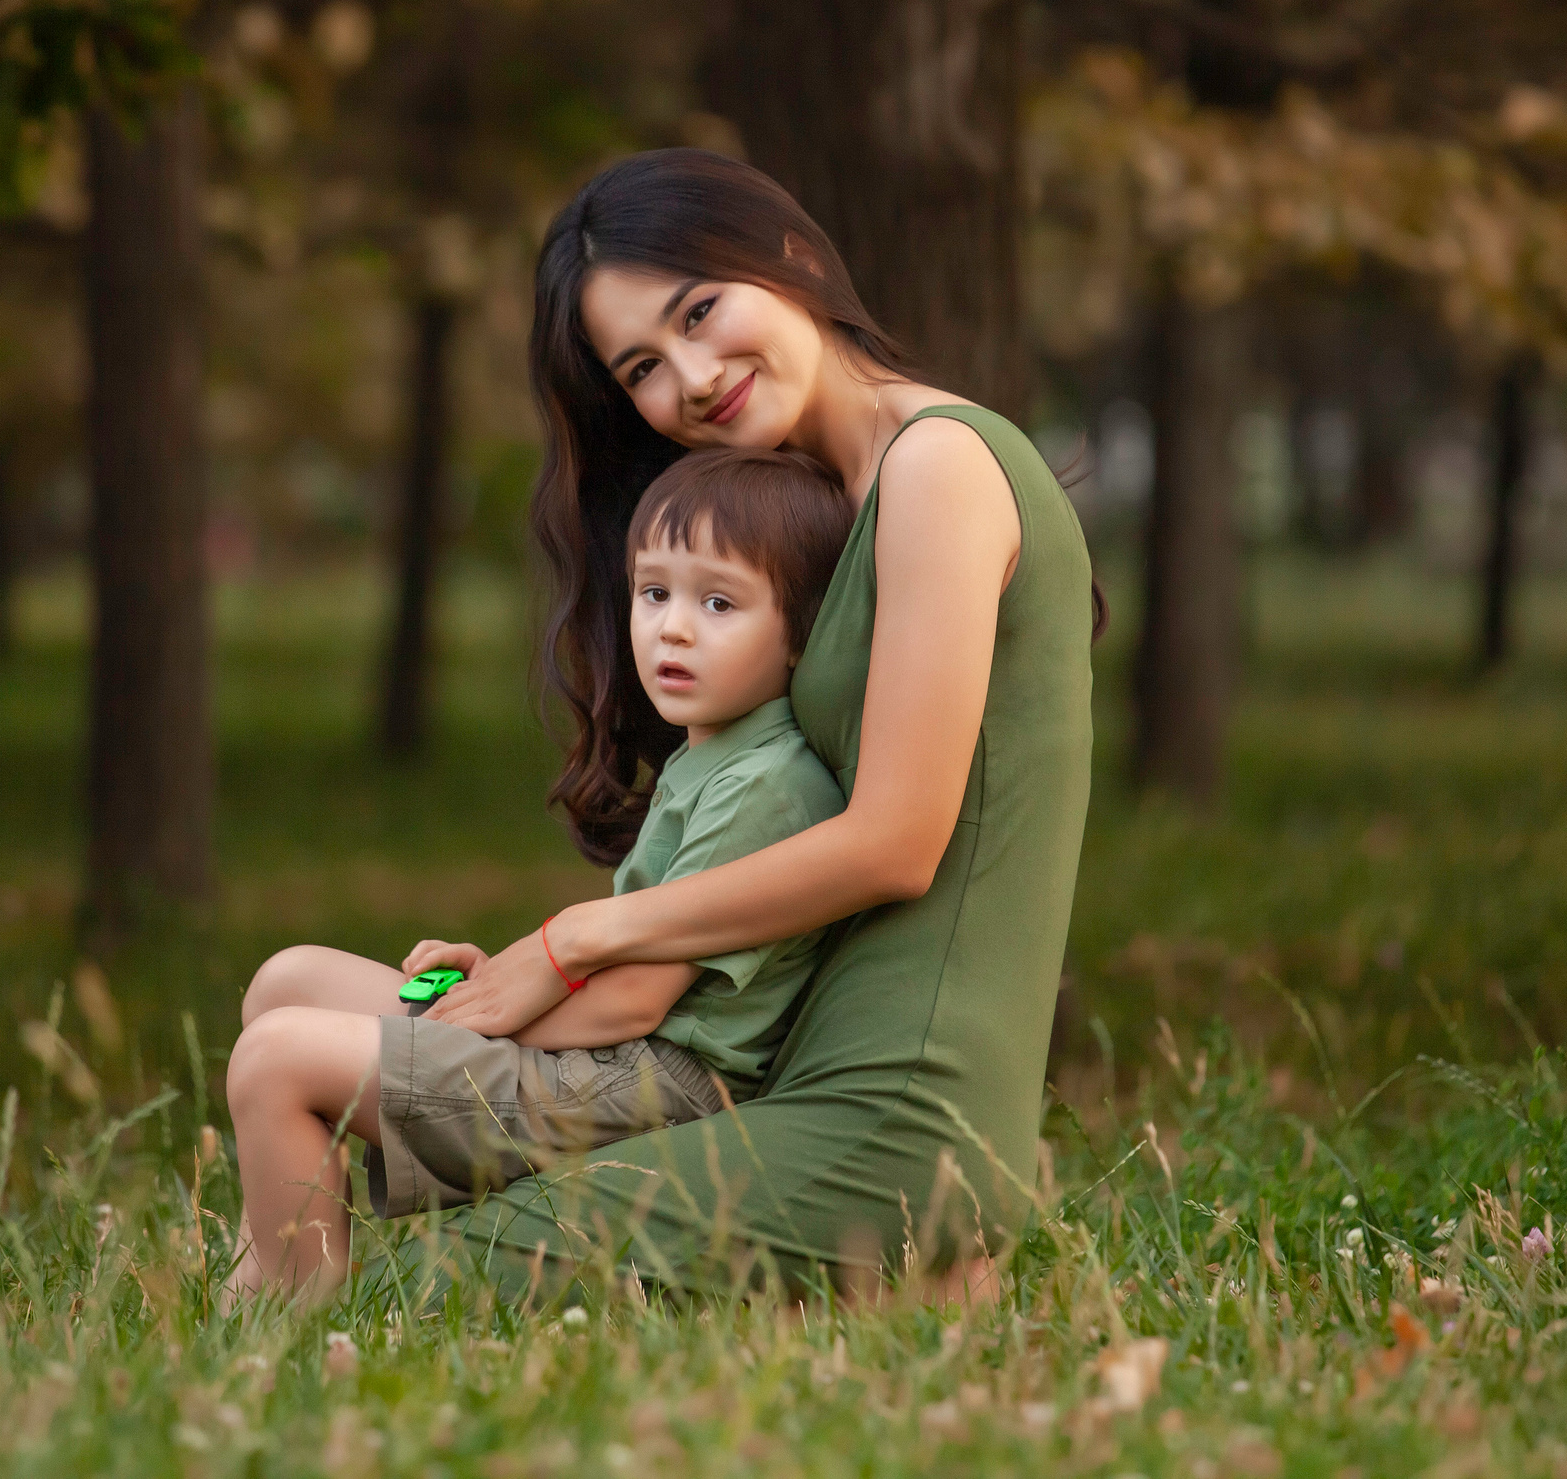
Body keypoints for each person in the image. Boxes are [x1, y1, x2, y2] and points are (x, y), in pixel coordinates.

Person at [274, 147, 1092, 1304]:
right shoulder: (820, 507)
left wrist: (569, 947)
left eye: (701, 311)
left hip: (898, 1115)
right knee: (290, 999)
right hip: (775, 1069)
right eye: (645, 366)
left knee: (422, 1301)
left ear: (794, 257)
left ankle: (911, 1264)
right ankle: (877, 1283)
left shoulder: (941, 468)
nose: (695, 376)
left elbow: (896, 840)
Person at [225, 446, 854, 1302]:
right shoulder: (714, 757)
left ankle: (288, 1312)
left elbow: (637, 998)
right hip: (606, 1054)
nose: (672, 626)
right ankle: (271, 1251)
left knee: (277, 1057)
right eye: (653, 592)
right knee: (288, 980)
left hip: (652, 1085)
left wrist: (481, 1026)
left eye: (718, 601)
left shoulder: (768, 786)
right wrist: (495, 979)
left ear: (802, 635)